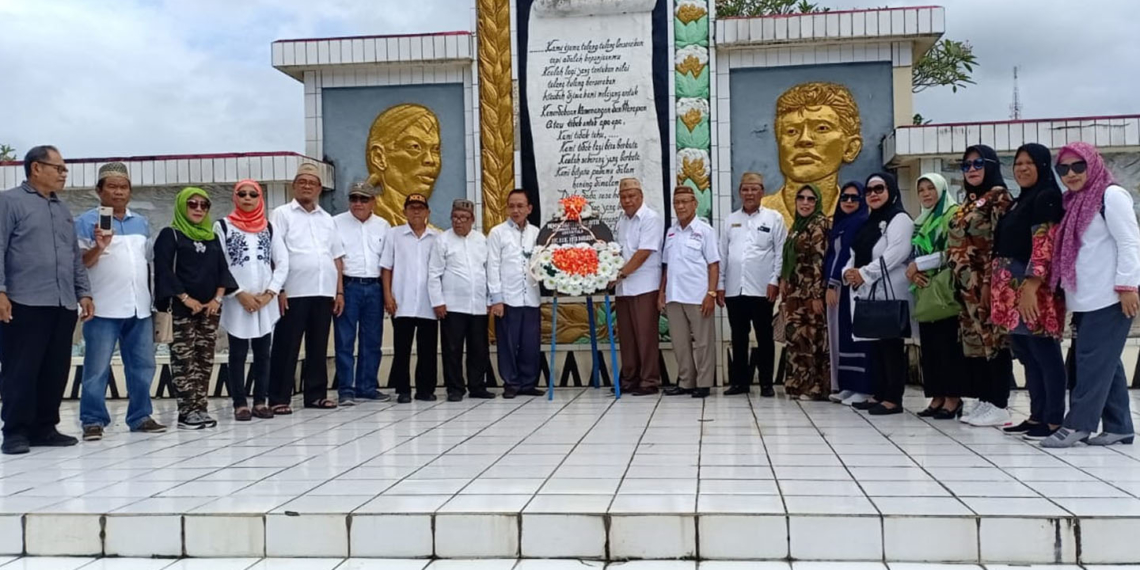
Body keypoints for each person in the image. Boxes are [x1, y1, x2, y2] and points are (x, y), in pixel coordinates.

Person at [1042, 142, 1140, 448]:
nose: (1070, 174)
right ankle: (1119, 426)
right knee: (1105, 363)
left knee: (1089, 362)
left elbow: (1130, 243)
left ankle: (1078, 425)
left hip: (1110, 297)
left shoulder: (1111, 195)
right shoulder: (1073, 202)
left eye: (1078, 166)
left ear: (1093, 164)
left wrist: (1127, 287)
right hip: (1085, 298)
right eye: (1063, 169)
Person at [0, 145, 94, 454]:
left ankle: (44, 427)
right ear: (36, 168)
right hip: (24, 300)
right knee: (20, 368)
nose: (63, 174)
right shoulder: (9, 202)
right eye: (59, 168)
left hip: (61, 302)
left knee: (55, 368)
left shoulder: (62, 209)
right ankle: (14, 430)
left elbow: (73, 258)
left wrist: (84, 292)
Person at [76, 162, 165, 440]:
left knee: (143, 366)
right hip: (102, 307)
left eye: (123, 187)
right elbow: (79, 265)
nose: (118, 192)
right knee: (97, 367)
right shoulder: (85, 221)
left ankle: (140, 416)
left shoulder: (140, 222)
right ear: (99, 191)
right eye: (112, 187)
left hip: (139, 306)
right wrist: (98, 247)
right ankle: (92, 420)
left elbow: (147, 263)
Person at [992, 143, 1067, 440]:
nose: (1022, 168)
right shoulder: (1021, 200)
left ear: (1042, 166)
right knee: (1027, 352)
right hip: (1011, 286)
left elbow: (1044, 244)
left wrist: (1031, 286)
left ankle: (1053, 419)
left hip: (1033, 287)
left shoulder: (1046, 197)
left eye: (1029, 163)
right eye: (1018, 163)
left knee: (1044, 350)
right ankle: (1037, 415)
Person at [154, 187, 238, 430]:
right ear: (182, 206)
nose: (199, 209)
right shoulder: (170, 235)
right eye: (193, 204)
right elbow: (164, 269)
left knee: (204, 359)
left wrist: (217, 299)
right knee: (184, 359)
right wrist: (185, 297)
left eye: (204, 205)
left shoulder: (210, 237)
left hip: (209, 310)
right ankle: (186, 411)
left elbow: (223, 270)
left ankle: (200, 408)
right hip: (181, 310)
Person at [269, 163, 345, 413]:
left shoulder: (327, 219)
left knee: (318, 345)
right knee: (287, 344)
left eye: (312, 183)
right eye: (302, 182)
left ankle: (316, 395)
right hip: (293, 290)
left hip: (323, 290)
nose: (307, 186)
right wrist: (278, 289)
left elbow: (336, 256)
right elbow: (274, 253)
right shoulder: (281, 214)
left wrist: (339, 291)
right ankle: (279, 398)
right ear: (294, 186)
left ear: (319, 189)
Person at [948, 145, 1014, 427]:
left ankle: (999, 402)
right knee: (975, 344)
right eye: (966, 166)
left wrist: (990, 282)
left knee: (994, 340)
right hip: (964, 285)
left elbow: (1002, 242)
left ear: (991, 165)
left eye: (978, 164)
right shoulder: (967, 202)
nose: (972, 170)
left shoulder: (998, 197)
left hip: (986, 282)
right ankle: (984, 399)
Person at [216, 179, 289, 421]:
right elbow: (220, 264)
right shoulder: (223, 227)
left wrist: (270, 293)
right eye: (242, 194)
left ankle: (260, 401)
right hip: (237, 299)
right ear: (235, 198)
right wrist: (239, 294)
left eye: (253, 194)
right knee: (237, 352)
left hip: (264, 300)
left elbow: (283, 262)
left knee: (262, 352)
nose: (248, 198)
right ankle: (240, 403)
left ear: (260, 199)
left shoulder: (268, 228)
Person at [845, 172, 913, 416]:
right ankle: (880, 393)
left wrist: (865, 273)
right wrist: (849, 274)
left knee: (892, 346)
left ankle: (893, 398)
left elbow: (897, 252)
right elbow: (854, 253)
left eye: (879, 189)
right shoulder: (869, 223)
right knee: (876, 346)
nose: (873, 194)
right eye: (869, 190)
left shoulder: (900, 219)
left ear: (891, 190)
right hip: (868, 292)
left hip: (891, 291)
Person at [717, 172, 785, 397]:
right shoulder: (730, 220)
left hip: (762, 288)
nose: (749, 193)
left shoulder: (773, 218)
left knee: (764, 336)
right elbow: (723, 255)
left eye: (754, 189)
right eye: (745, 189)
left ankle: (766, 383)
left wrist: (774, 280)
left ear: (762, 192)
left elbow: (779, 253)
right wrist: (720, 285)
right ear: (740, 192)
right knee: (739, 336)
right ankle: (740, 383)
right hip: (736, 289)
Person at [906, 173, 967, 420]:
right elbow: (914, 251)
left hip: (945, 286)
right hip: (924, 287)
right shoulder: (923, 219)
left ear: (941, 189)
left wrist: (918, 264)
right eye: (921, 190)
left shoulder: (952, 214)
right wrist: (914, 270)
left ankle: (953, 398)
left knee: (947, 344)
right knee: (929, 345)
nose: (926, 194)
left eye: (931, 188)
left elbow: (952, 251)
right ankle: (937, 396)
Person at [762, 82, 865, 226]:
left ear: (850, 148)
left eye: (822, 128)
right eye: (791, 131)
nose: (804, 139)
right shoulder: (760, 212)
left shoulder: (862, 214)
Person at [428, 199, 495, 402]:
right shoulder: (443, 240)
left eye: (463, 218)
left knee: (478, 348)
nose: (459, 222)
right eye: (455, 217)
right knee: (452, 349)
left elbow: (488, 270)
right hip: (452, 305)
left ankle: (477, 386)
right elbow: (434, 273)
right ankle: (455, 388)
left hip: (477, 305)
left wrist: (491, 299)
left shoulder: (481, 240)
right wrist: (437, 301)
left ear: (472, 219)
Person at [333, 183, 392, 406]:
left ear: (373, 202)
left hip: (374, 287)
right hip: (348, 285)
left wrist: (387, 293)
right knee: (345, 340)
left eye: (363, 199)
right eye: (354, 199)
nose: (358, 203)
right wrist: (338, 290)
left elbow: (387, 262)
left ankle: (367, 386)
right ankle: (346, 389)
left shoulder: (383, 225)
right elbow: (335, 260)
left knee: (372, 340)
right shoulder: (336, 223)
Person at [659, 186, 720, 398]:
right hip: (674, 295)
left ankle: (703, 384)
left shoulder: (705, 231)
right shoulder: (671, 231)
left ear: (695, 204)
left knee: (703, 342)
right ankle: (686, 382)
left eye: (685, 201)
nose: (681, 206)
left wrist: (711, 294)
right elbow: (666, 266)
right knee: (680, 342)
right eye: (677, 202)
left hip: (698, 295)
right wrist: (661, 293)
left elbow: (714, 264)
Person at [382, 193, 441, 403]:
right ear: (404, 210)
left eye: (420, 207)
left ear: (427, 212)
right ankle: (403, 389)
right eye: (412, 207)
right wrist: (387, 295)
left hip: (428, 303)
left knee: (428, 350)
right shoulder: (394, 235)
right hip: (402, 301)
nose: (416, 211)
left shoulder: (436, 238)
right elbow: (387, 268)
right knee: (402, 349)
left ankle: (426, 389)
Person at [487, 189, 545, 399]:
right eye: (511, 206)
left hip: (530, 296)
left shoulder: (537, 233)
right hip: (508, 298)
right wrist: (497, 299)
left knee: (530, 343)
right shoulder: (497, 233)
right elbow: (492, 267)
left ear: (529, 208)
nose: (515, 210)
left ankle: (528, 383)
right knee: (508, 343)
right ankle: (511, 382)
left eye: (520, 206)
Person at [825, 181, 874, 406]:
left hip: (852, 287)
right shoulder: (842, 224)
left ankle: (862, 387)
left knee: (856, 337)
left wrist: (833, 282)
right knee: (843, 336)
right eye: (845, 197)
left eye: (855, 198)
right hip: (841, 288)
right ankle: (848, 385)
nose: (849, 201)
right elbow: (832, 256)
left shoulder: (860, 221)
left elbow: (846, 254)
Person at [614, 178, 664, 395]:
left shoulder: (651, 218)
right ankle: (629, 379)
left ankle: (649, 380)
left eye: (632, 196)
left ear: (641, 197)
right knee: (627, 336)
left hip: (644, 285)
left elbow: (644, 252)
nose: (628, 200)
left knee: (645, 335)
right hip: (623, 287)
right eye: (624, 197)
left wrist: (621, 272)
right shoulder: (621, 221)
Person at [781, 185, 832, 400]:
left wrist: (816, 295)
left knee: (811, 340)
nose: (805, 203)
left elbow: (818, 263)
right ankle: (797, 385)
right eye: (801, 198)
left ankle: (814, 387)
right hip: (795, 294)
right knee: (796, 341)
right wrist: (784, 281)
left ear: (817, 202)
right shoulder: (797, 226)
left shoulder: (819, 225)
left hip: (809, 294)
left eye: (811, 199)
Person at [365, 104, 442, 226]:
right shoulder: (369, 221)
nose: (430, 159)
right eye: (414, 147)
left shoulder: (436, 236)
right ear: (379, 157)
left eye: (435, 149)